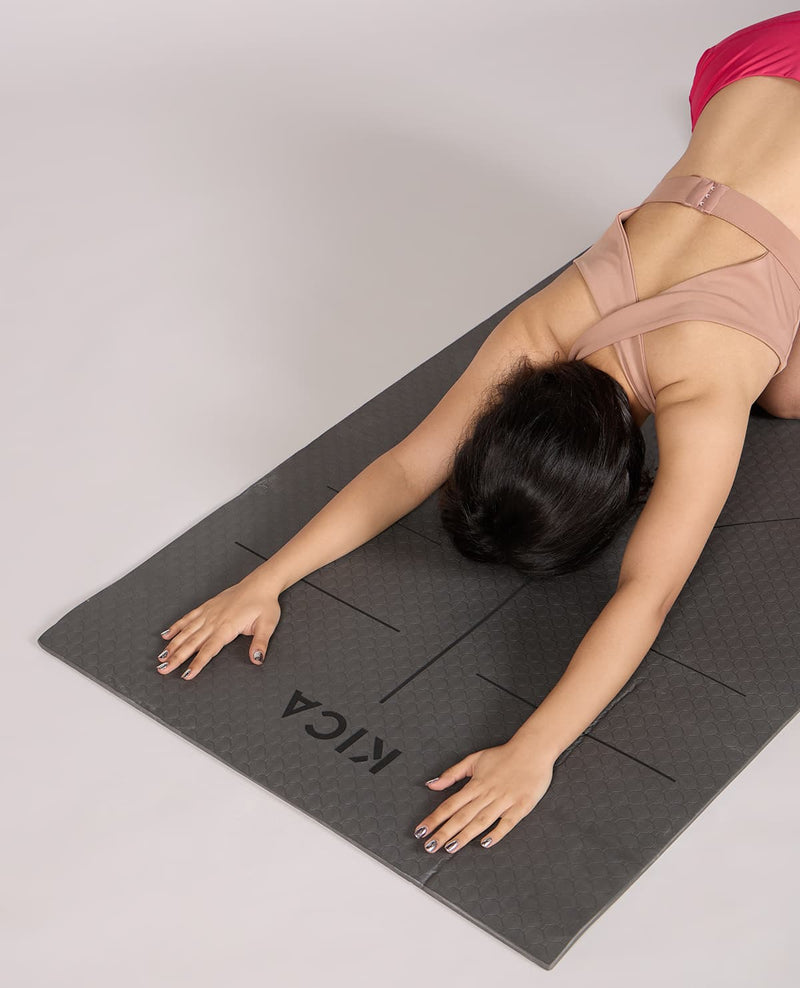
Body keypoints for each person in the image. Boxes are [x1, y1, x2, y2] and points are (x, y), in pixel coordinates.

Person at [154, 12, 800, 856]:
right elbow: (408, 467)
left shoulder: (701, 393)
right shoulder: (550, 325)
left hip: (759, 61)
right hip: (753, 58)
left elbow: (645, 594)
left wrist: (536, 751)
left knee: (786, 399)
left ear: (628, 484)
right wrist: (264, 580)